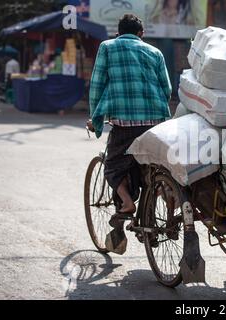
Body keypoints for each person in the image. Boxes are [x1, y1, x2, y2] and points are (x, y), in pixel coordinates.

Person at [87, 14, 172, 216]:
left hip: (124, 124)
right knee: (151, 167)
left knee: (113, 166)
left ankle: (127, 202)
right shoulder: (155, 52)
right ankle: (163, 191)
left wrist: (95, 119)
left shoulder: (107, 47)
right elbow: (167, 89)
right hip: (155, 123)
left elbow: (97, 86)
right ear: (141, 34)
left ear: (118, 32)